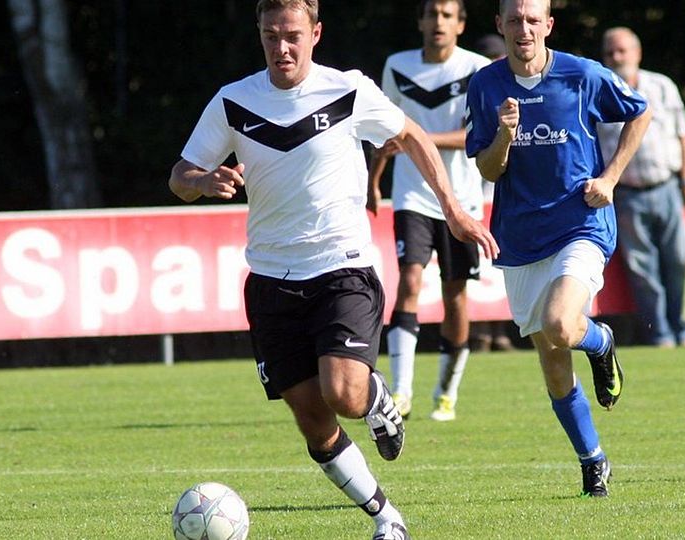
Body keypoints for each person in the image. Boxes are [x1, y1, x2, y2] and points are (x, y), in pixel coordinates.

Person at [169, 1, 497, 538]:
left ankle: (374, 397)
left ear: (316, 33)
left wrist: (456, 210)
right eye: (271, 36)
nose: (282, 48)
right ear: (260, 35)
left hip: (341, 266)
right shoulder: (233, 102)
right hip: (271, 279)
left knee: (344, 393)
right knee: (313, 421)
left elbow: (411, 135)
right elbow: (180, 175)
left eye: (293, 35)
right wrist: (201, 183)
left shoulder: (347, 90)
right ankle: (388, 519)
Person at [465, 0, 651, 497]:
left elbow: (640, 112)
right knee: (552, 363)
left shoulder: (583, 75)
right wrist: (504, 136)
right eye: (513, 19)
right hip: (520, 236)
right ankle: (593, 459)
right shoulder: (485, 84)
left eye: (532, 19)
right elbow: (487, 169)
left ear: (548, 25)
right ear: (499, 25)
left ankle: (602, 341)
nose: (523, 28)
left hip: (580, 224)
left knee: (561, 325)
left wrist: (610, 177)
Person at [367, 0, 490, 422]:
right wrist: (373, 181)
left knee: (456, 296)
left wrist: (420, 139)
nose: (438, 22)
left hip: (462, 199)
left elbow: (476, 134)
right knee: (410, 280)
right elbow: (385, 129)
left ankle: (446, 392)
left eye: (446, 14)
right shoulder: (397, 65)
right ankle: (401, 392)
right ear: (419, 20)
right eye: (431, 14)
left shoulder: (476, 68)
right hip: (412, 195)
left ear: (460, 23)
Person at [596, 27, 685, 348]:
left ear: (637, 53)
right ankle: (660, 334)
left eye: (622, 51)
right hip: (626, 193)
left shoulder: (662, 86)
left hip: (667, 186)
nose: (617, 58)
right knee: (643, 272)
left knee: (678, 261)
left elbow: (683, 136)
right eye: (611, 52)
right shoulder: (600, 91)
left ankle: (683, 329)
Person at [468, 32, 518, 354]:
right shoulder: (478, 89)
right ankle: (480, 332)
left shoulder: (518, 89)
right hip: (475, 186)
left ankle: (500, 331)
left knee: (500, 263)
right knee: (478, 264)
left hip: (506, 189)